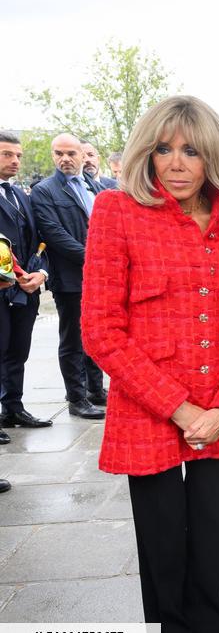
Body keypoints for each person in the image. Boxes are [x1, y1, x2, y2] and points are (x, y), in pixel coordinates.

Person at [81, 95, 219, 633]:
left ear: (213, 155)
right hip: (148, 412)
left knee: (210, 546)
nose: (177, 163)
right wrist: (184, 411)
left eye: (191, 150)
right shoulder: (117, 212)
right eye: (164, 149)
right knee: (163, 551)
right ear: (147, 154)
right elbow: (101, 331)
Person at [30, 133, 108, 419]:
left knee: (97, 335)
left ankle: (95, 390)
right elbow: (54, 235)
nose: (65, 159)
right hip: (70, 278)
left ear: (82, 155)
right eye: (58, 153)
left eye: (71, 153)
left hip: (99, 276)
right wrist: (97, 259)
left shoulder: (93, 186)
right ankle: (77, 398)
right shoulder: (44, 190)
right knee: (73, 339)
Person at [0, 132, 51, 442]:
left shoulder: (21, 195)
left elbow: (41, 241)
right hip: (2, 288)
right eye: (7, 154)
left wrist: (42, 273)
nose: (15, 161)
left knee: (18, 351)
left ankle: (13, 408)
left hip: (25, 291)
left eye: (17, 155)